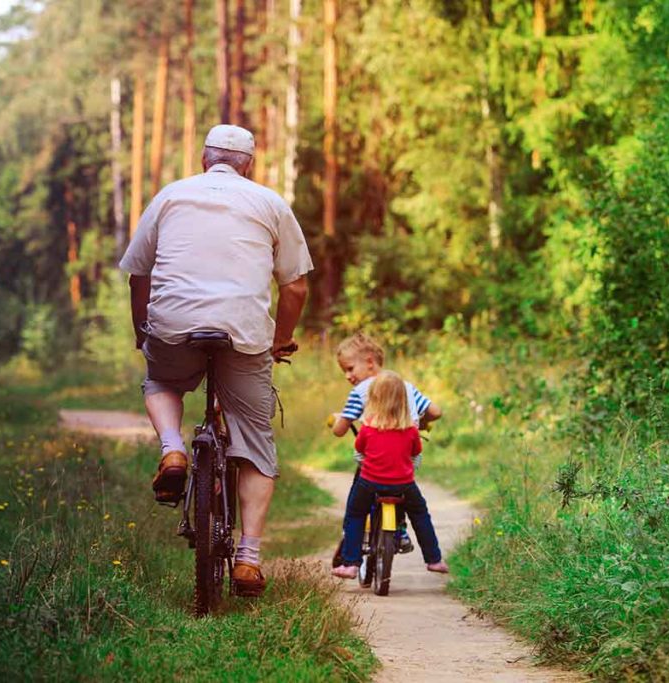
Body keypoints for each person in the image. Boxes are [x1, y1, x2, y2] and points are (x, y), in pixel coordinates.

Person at [119, 124, 312, 597]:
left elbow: (138, 275)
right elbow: (296, 286)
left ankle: (172, 448)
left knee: (161, 381)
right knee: (257, 443)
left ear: (205, 160)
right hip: (243, 332)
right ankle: (248, 560)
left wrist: (144, 331)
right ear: (249, 165)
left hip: (172, 324)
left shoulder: (170, 196)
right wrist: (279, 340)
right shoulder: (269, 203)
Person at [330, 332, 442, 552]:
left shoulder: (360, 391)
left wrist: (335, 420)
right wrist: (420, 422)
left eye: (350, 368)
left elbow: (340, 430)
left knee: (358, 495)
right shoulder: (404, 387)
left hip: (375, 461)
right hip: (405, 458)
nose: (347, 376)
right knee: (404, 490)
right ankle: (400, 531)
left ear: (370, 362)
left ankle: (356, 536)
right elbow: (436, 412)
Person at [332, 370, 449, 578]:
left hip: (369, 483)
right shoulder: (411, 431)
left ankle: (350, 563)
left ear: (373, 401)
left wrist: (367, 463)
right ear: (404, 401)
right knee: (420, 514)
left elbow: (359, 453)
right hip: (403, 485)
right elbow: (415, 454)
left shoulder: (367, 429)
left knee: (355, 514)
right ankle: (434, 559)